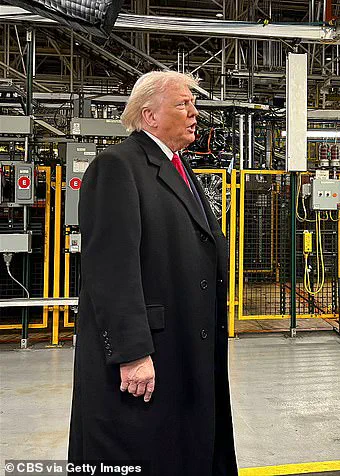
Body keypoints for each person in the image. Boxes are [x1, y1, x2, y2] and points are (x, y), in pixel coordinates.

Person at [68, 71, 238, 475]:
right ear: (149, 116)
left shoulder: (179, 168)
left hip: (182, 346)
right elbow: (110, 270)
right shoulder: (117, 167)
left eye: (193, 104)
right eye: (183, 104)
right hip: (150, 353)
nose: (194, 113)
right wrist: (131, 352)